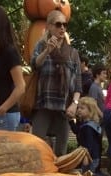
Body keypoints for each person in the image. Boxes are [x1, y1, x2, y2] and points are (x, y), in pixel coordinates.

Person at [30, 9, 82, 156]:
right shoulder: (40, 46)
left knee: (61, 153)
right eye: (58, 24)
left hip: (64, 107)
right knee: (37, 148)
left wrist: (75, 103)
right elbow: (34, 65)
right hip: (43, 104)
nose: (62, 28)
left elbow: (78, 82)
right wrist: (47, 51)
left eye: (65, 25)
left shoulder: (72, 52)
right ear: (49, 27)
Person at [73, 95, 102, 174]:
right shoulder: (85, 123)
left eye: (82, 108)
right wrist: (71, 121)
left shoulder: (89, 127)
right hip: (90, 155)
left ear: (90, 111)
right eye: (78, 108)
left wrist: (86, 156)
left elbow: (89, 143)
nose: (79, 110)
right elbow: (77, 131)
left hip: (90, 157)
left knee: (87, 174)